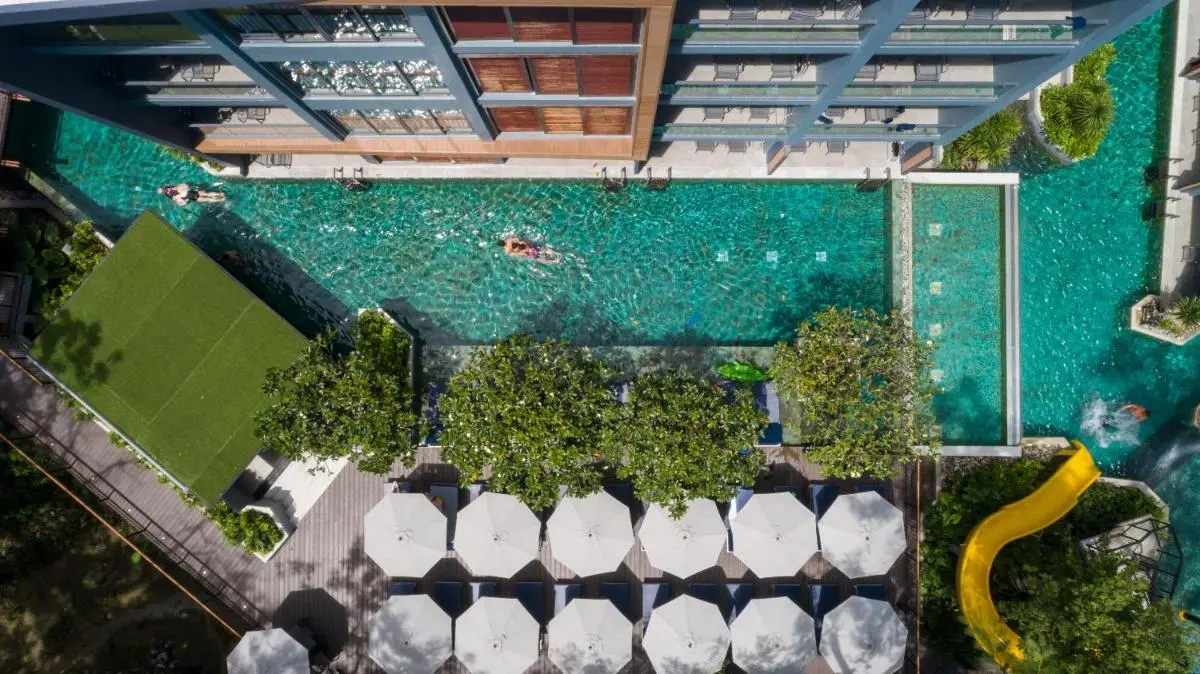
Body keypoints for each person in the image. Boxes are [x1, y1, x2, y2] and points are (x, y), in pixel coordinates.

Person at [158, 183, 225, 206]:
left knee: (207, 199)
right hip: (190, 192)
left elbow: (184, 203)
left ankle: (221, 199)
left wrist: (185, 201)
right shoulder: (173, 188)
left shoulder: (173, 196)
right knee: (207, 193)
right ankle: (220, 194)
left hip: (190, 196)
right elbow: (184, 186)